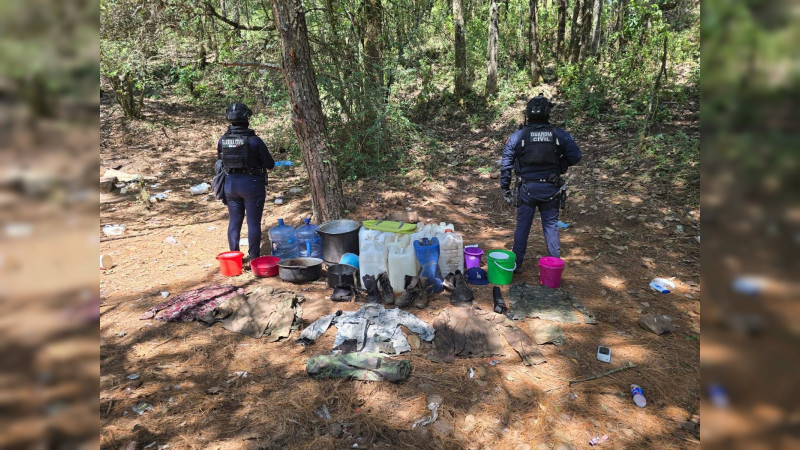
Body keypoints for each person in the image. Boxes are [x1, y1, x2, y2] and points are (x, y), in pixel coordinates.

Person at [499, 94, 582, 274]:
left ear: (528, 114)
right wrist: (561, 165)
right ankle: (554, 266)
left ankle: (517, 264)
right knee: (550, 226)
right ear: (547, 114)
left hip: (526, 189)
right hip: (551, 188)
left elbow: (505, 165)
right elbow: (576, 156)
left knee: (522, 226)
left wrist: (505, 187)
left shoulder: (518, 136)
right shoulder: (559, 135)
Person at [217, 102, 275, 262]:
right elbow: (270, 164)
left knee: (234, 221)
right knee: (253, 223)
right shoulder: (254, 141)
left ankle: (234, 257)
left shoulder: (222, 141)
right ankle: (254, 258)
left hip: (230, 184)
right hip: (252, 185)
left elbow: (220, 162)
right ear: (247, 118)